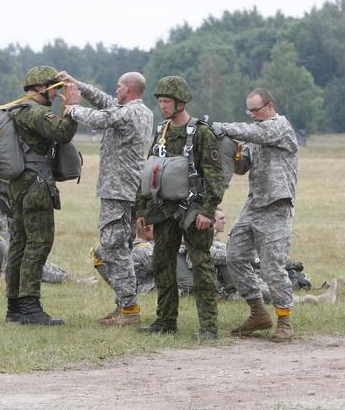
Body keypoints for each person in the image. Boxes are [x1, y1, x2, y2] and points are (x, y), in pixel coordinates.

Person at [59, 70, 153, 326]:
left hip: (118, 190)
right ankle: (125, 305)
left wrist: (72, 109)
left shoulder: (129, 112)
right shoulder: (139, 111)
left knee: (114, 246)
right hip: (127, 189)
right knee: (118, 246)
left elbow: (100, 118)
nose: (115, 90)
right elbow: (103, 102)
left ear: (130, 89)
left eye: (119, 86)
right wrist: (77, 84)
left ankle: (129, 308)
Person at [136, 75, 225, 339]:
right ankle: (165, 320)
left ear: (181, 102)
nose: (163, 106)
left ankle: (209, 327)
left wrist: (208, 212)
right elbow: (150, 171)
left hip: (194, 210)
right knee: (162, 263)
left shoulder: (201, 133)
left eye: (167, 101)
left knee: (202, 266)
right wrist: (142, 210)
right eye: (161, 101)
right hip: (163, 210)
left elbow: (214, 177)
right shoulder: (161, 132)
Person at [212, 88, 299, 343]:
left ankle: (284, 320)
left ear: (269, 105)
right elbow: (242, 167)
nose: (252, 115)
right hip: (254, 204)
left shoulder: (278, 126)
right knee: (235, 256)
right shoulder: (255, 132)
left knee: (272, 266)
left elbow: (257, 133)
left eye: (255, 110)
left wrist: (223, 127)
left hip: (277, 204)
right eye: (248, 111)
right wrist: (230, 151)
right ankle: (258, 312)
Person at [4, 66, 79, 326]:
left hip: (19, 183)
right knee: (38, 243)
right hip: (36, 184)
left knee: (19, 243)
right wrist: (70, 107)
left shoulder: (18, 111)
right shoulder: (36, 112)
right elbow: (63, 133)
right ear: (40, 88)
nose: (58, 95)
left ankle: (15, 306)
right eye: (55, 89)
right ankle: (30, 307)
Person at [132, 224, 155, 294]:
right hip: (148, 288)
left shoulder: (142, 246)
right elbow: (159, 267)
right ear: (146, 230)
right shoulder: (142, 249)